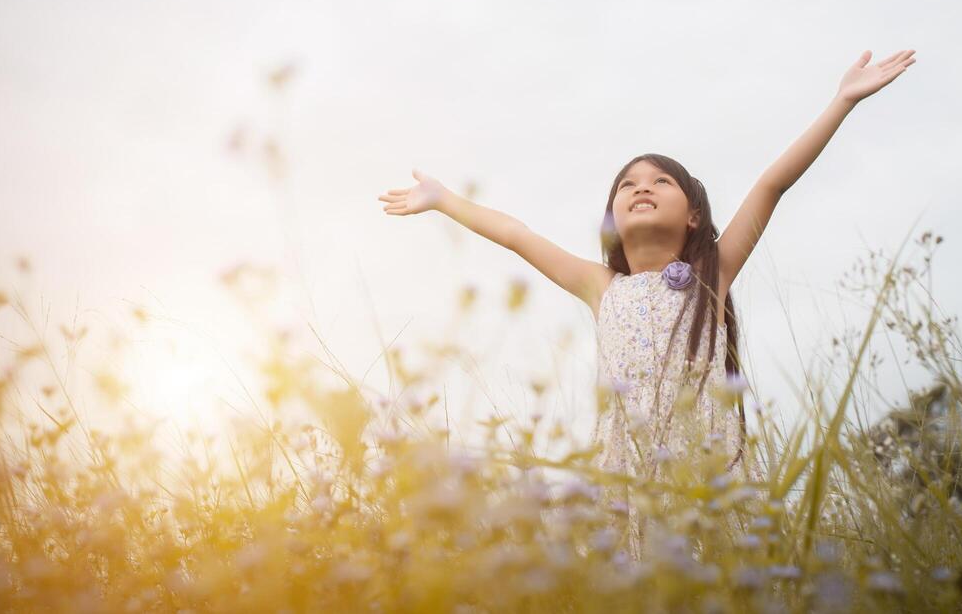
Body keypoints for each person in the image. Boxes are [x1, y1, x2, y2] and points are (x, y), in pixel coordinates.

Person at [378, 47, 917, 559]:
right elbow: (517, 233)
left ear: (693, 217)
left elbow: (773, 183)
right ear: (613, 219)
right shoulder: (600, 286)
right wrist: (445, 200)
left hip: (705, 465)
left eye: (662, 180)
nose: (643, 187)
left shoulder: (714, 273)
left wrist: (841, 102)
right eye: (628, 184)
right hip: (627, 470)